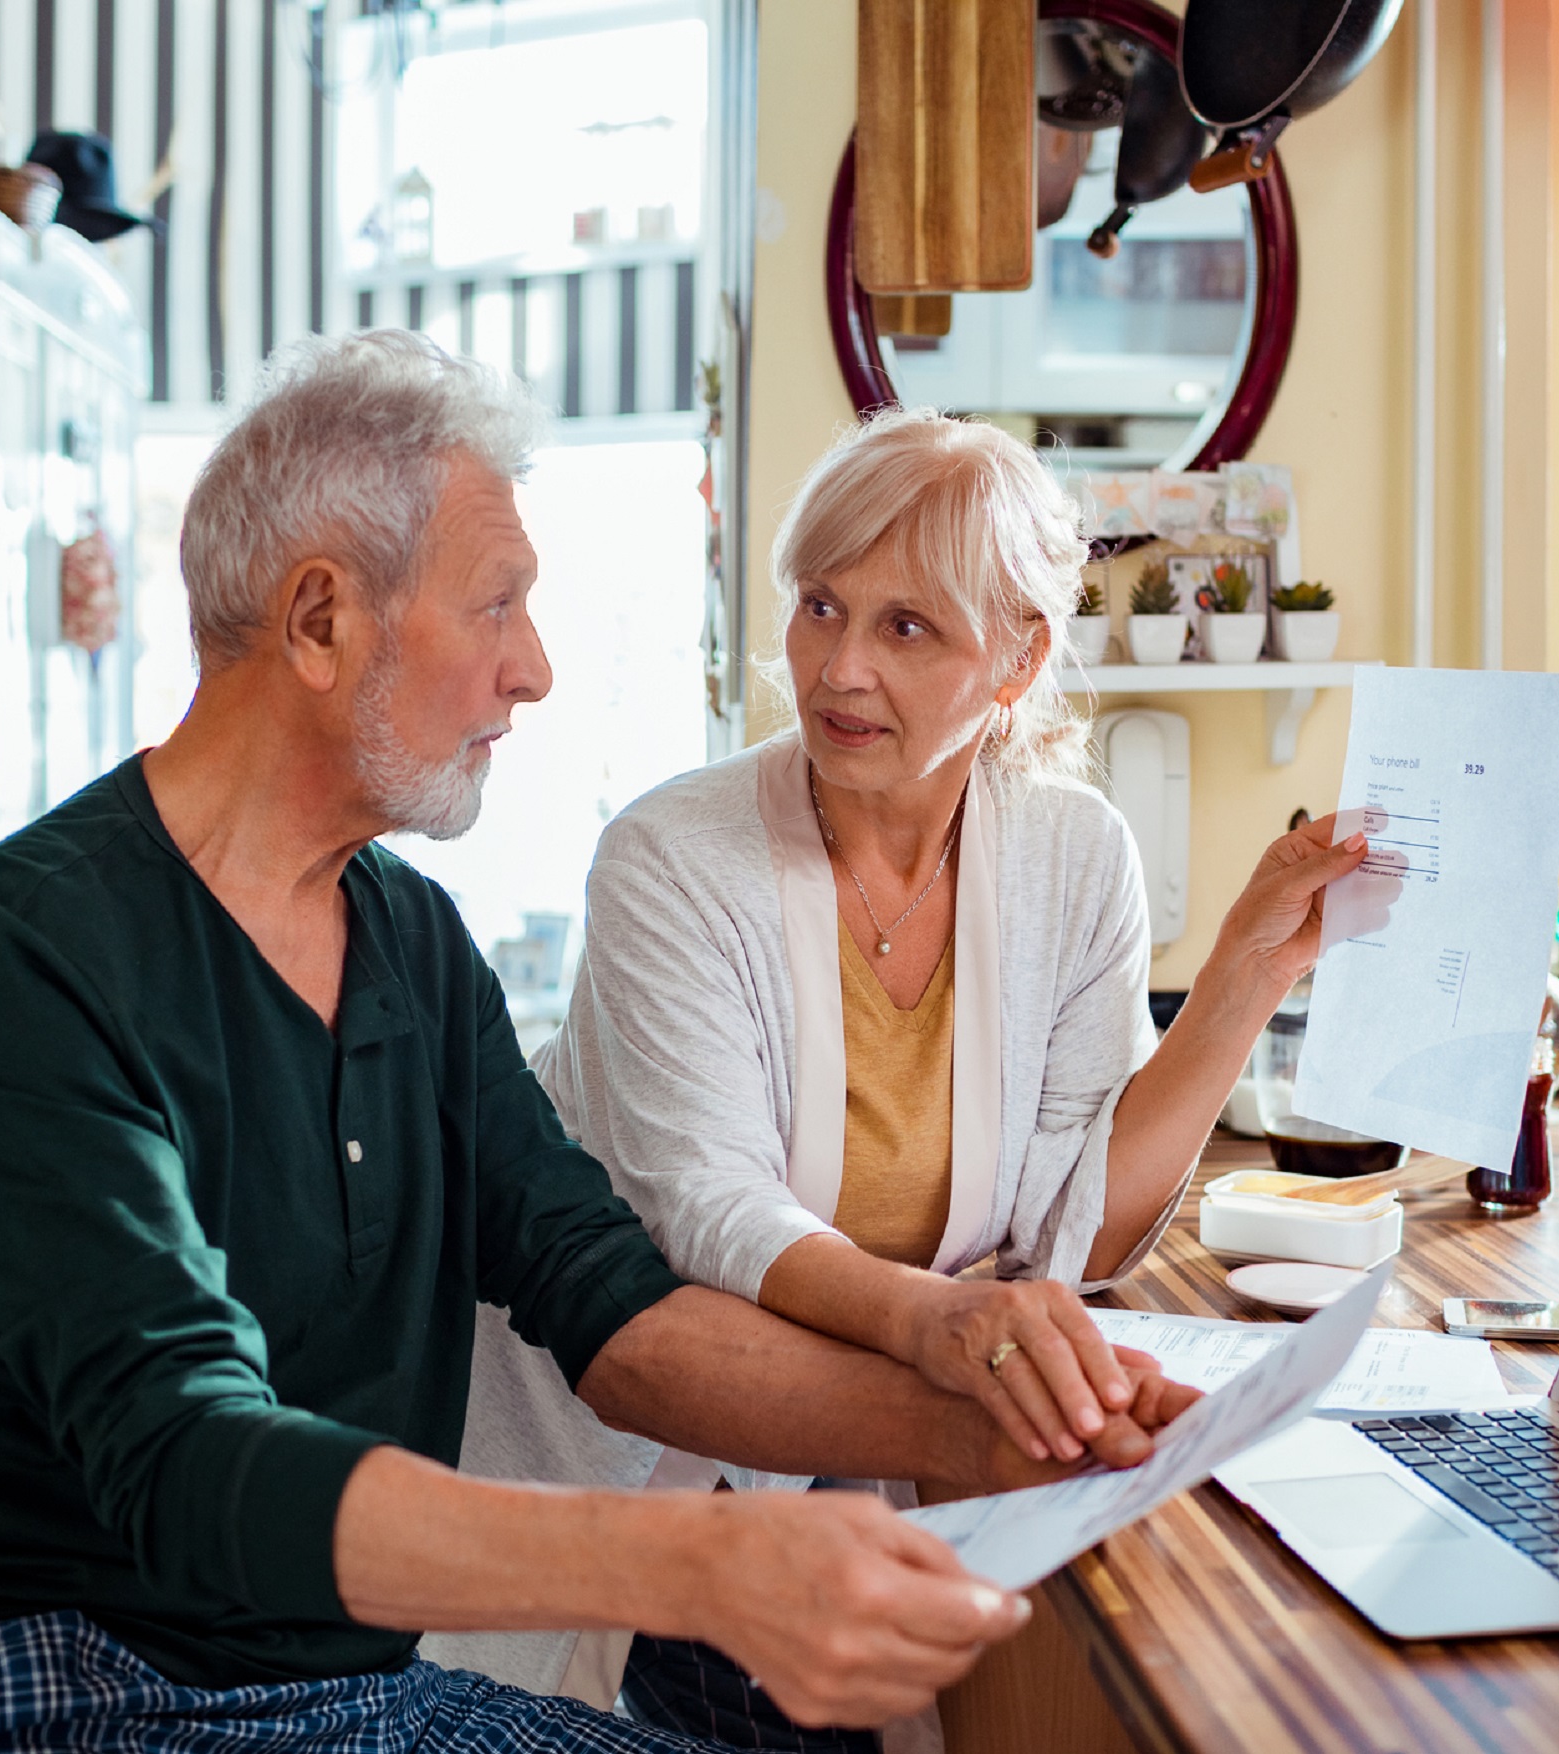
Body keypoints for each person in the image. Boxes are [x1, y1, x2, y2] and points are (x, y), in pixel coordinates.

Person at [0, 337, 1203, 1754]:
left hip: (308, 1688)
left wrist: (997, 1409)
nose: (536, 669)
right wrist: (693, 1559)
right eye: (496, 606)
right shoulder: (21, 957)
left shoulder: (414, 947)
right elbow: (185, 1460)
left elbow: (613, 1307)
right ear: (319, 623)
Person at [432, 409, 1367, 1748]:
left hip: (842, 1488)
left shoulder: (1069, 856)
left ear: (1018, 656)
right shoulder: (669, 860)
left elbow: (1070, 1224)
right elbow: (712, 1213)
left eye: (906, 627)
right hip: (637, 1491)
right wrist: (938, 1322)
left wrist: (1236, 985)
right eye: (821, 607)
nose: (838, 668)